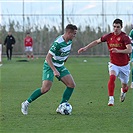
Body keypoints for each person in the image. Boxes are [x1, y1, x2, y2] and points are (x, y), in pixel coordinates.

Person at [21, 24, 77, 115]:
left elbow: (65, 52)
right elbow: (48, 57)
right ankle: (26, 103)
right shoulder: (58, 43)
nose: (75, 36)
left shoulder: (69, 41)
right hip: (49, 65)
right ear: (68, 33)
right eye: (74, 34)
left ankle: (61, 106)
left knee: (71, 85)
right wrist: (54, 70)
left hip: (60, 65)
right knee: (45, 89)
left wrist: (64, 59)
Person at [78, 18, 132, 106]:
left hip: (124, 65)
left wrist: (118, 51)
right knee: (112, 77)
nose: (116, 29)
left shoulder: (125, 37)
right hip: (114, 63)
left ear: (121, 27)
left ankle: (123, 91)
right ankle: (111, 99)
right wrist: (86, 48)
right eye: (114, 26)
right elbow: (96, 41)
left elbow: (129, 50)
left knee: (125, 86)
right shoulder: (109, 36)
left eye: (118, 27)